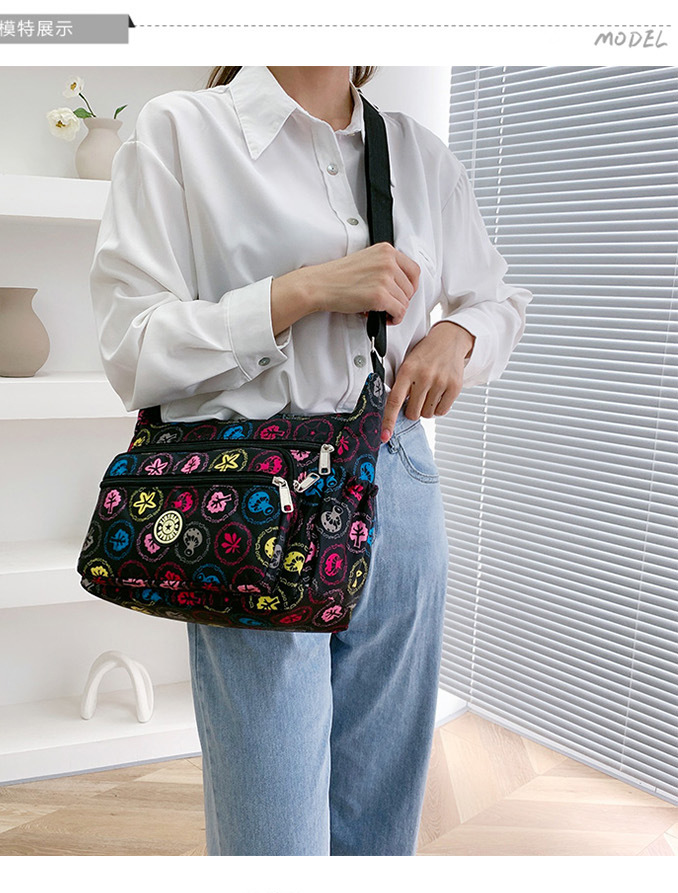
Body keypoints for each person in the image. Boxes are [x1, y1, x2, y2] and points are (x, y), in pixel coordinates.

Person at [89, 65, 532, 856]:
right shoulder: (181, 131)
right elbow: (134, 348)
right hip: (255, 497)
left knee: (381, 820)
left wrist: (458, 335)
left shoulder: (418, 154)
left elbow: (496, 296)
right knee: (273, 835)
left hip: (397, 474)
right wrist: (301, 290)